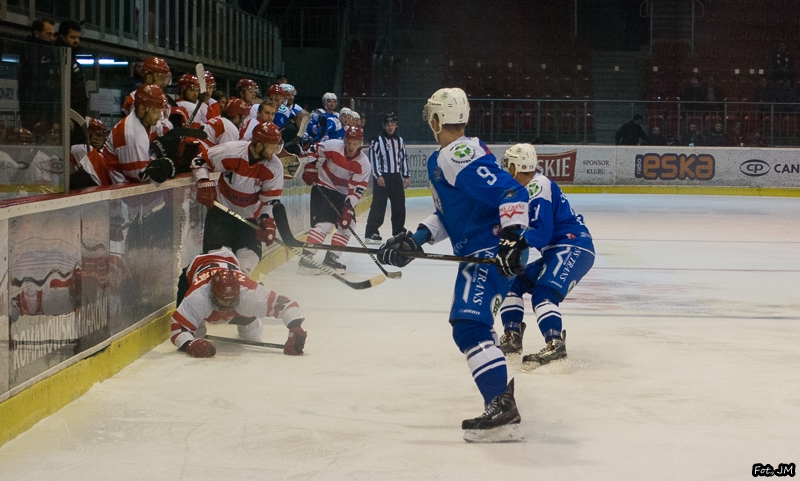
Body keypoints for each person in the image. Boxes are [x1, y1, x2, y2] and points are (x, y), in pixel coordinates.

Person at [377, 87, 530, 442]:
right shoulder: (452, 155)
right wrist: (415, 238)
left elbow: (512, 192)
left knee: (467, 326)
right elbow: (452, 215)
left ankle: (500, 404)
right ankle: (500, 392)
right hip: (490, 250)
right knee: (476, 326)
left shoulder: (456, 154)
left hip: (488, 253)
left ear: (435, 120)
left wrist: (511, 236)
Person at [496, 144, 595, 370]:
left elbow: (540, 234)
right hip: (557, 249)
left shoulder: (537, 186)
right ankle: (512, 336)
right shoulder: (528, 188)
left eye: (507, 164)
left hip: (573, 246)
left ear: (514, 167)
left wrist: (515, 241)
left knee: (544, 292)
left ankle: (555, 343)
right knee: (512, 282)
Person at [172, 246, 307, 358]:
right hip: (194, 271)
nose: (226, 307)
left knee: (251, 335)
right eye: (222, 301)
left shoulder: (248, 293)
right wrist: (190, 343)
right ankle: (200, 323)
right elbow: (177, 328)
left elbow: (288, 305)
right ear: (212, 294)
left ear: (238, 294)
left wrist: (295, 328)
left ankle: (250, 318)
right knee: (197, 334)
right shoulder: (198, 296)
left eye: (231, 302)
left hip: (230, 269)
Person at [192, 121, 283, 276]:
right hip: (220, 214)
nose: (275, 150)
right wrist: (202, 182)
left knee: (248, 260)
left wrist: (267, 222)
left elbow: (269, 201)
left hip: (249, 220)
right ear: (259, 144)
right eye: (272, 145)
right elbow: (199, 161)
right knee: (218, 263)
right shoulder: (231, 151)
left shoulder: (274, 167)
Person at [298, 126, 371, 274]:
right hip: (324, 187)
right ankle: (305, 259)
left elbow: (356, 190)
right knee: (325, 224)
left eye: (355, 143)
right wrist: (310, 166)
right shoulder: (333, 146)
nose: (351, 147)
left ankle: (331, 258)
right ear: (344, 140)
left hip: (343, 195)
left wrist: (348, 208)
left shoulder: (364, 164)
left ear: (361, 143)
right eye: (349, 142)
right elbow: (314, 148)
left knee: (347, 224)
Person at [75, 83, 173, 186]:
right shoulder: (132, 135)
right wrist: (159, 157)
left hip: (105, 182)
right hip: (93, 180)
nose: (159, 116)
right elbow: (140, 178)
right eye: (156, 111)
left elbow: (164, 132)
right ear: (142, 109)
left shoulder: (149, 121)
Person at [364, 112, 410, 244]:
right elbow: (373, 159)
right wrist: (378, 175)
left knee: (399, 205)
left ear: (396, 125)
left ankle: (398, 231)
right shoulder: (377, 141)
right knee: (379, 205)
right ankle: (371, 232)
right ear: (383, 126)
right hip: (382, 177)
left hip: (395, 177)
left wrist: (406, 175)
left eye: (393, 124)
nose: (390, 127)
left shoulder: (400, 141)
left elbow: (403, 158)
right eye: (388, 124)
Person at [18, 18, 58, 135]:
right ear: (37, 33)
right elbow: (30, 85)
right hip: (34, 108)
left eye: (53, 34)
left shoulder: (52, 52)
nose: (51, 38)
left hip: (49, 107)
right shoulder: (30, 53)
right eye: (48, 34)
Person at [55, 20, 89, 119]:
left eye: (78, 37)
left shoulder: (72, 58)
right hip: (68, 116)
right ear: (62, 37)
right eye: (72, 37)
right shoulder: (60, 58)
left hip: (77, 115)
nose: (76, 41)